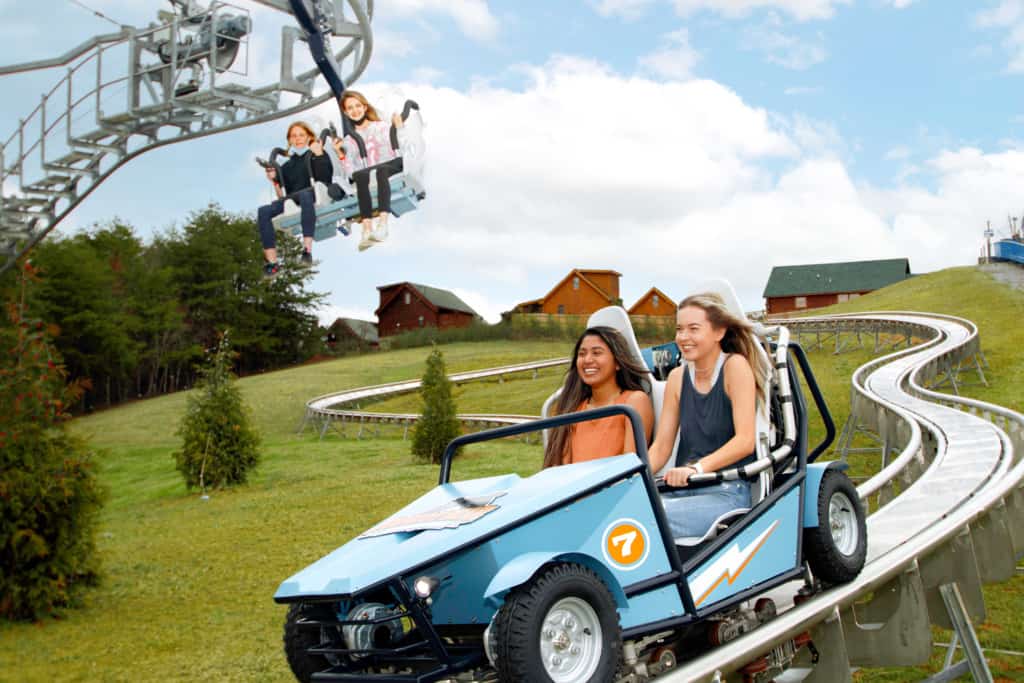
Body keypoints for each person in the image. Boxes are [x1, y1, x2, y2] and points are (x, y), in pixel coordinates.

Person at [647, 293, 768, 539]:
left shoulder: (735, 366)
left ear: (719, 332)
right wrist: (631, 478)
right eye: (680, 329)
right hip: (683, 488)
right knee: (625, 512)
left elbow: (745, 441)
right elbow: (661, 447)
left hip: (726, 492)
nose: (683, 337)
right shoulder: (677, 378)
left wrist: (696, 468)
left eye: (693, 329)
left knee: (647, 521)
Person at [542, 327, 655, 469]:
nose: (588, 360)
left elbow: (630, 469)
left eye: (597, 353)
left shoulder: (633, 402)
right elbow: (561, 470)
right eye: (582, 354)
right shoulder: (572, 408)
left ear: (618, 362)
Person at [332, 90, 405, 252]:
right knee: (360, 176)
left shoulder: (382, 126)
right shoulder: (349, 140)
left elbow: (402, 143)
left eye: (358, 106)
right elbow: (351, 171)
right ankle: (366, 229)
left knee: (380, 172)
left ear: (365, 107)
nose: (355, 110)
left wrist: (399, 126)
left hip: (391, 164)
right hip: (368, 171)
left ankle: (383, 225)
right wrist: (340, 154)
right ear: (346, 112)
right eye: (350, 108)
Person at [257, 121, 333, 276]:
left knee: (305, 194)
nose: (298, 139)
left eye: (301, 135)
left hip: (315, 192)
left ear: (308, 137)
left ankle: (307, 251)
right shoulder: (286, 166)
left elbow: (325, 177)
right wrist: (274, 180)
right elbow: (282, 196)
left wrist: (319, 154)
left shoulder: (315, 153)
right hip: (293, 198)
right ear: (289, 140)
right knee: (263, 211)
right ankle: (273, 263)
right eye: (294, 136)